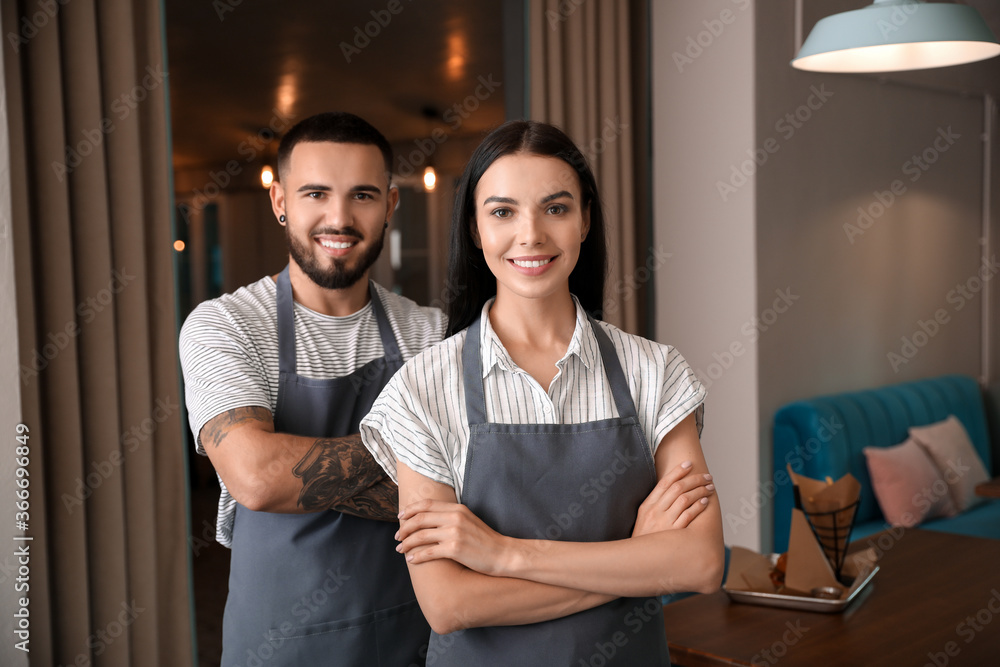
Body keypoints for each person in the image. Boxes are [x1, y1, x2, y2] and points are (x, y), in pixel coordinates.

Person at [360, 120, 725, 665]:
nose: (530, 235)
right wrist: (636, 560)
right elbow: (448, 603)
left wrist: (502, 555)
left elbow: (698, 564)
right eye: (502, 211)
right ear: (475, 229)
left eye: (555, 208)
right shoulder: (420, 390)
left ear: (584, 221)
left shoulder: (655, 370)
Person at [179, 112, 446, 666]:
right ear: (280, 201)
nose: (339, 217)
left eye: (363, 195)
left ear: (391, 206)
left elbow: (474, 482)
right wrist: (418, 459)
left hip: (411, 638)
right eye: (315, 193)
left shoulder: (431, 333)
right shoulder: (226, 325)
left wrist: (297, 474)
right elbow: (256, 478)